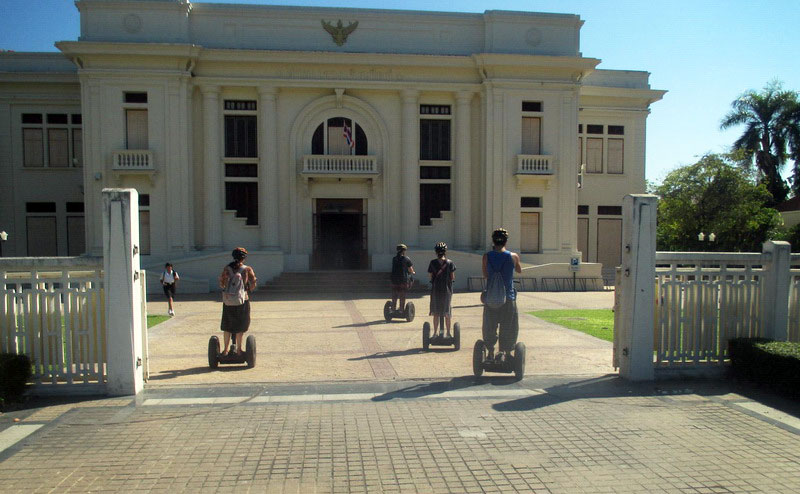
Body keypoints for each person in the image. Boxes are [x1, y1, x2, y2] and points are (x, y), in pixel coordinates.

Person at [482, 228, 522, 362]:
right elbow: (519, 270)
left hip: (491, 298)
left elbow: (486, 274)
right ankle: (504, 351)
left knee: (490, 326)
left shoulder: (486, 256)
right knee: (509, 326)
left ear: (493, 241)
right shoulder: (513, 256)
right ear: (506, 241)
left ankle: (490, 352)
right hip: (508, 297)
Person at [218, 247, 257, 356]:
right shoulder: (247, 269)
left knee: (227, 325)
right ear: (243, 258)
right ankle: (239, 350)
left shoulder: (227, 268)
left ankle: (225, 350)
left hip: (228, 301)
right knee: (241, 325)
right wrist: (249, 288)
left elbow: (221, 283)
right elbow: (253, 282)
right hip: (242, 300)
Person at [428, 242, 456, 337]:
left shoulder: (432, 263)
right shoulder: (450, 263)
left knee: (436, 312)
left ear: (436, 252)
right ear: (445, 252)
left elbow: (430, 277)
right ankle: (448, 333)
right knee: (447, 312)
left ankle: (435, 333)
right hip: (446, 290)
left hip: (436, 290)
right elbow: (452, 277)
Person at [390, 243, 415, 312]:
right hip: (402, 280)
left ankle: (393, 309)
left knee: (394, 295)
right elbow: (410, 269)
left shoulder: (394, 259)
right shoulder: (406, 259)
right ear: (403, 251)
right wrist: (413, 272)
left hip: (394, 280)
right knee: (402, 295)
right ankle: (401, 309)